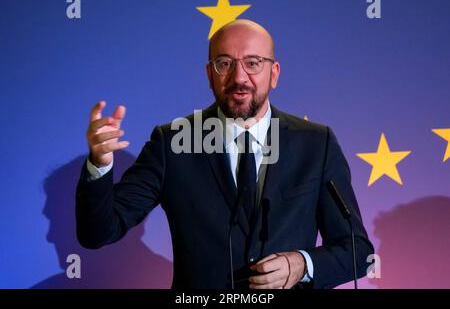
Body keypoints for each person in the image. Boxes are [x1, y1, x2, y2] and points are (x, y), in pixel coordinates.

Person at [76, 19, 374, 289]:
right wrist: (99, 166)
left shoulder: (316, 144)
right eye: (224, 63)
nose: (239, 77)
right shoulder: (171, 143)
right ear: (209, 74)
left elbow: (358, 252)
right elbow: (97, 232)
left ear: (274, 73)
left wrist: (302, 264)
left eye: (253, 63)